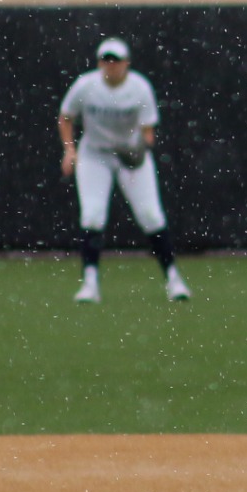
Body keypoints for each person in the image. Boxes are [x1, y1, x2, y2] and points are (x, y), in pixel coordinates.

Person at [58, 38, 191, 303]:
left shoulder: (139, 88)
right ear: (99, 63)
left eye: (116, 61)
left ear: (126, 63)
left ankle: (174, 280)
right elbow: (66, 116)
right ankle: (90, 284)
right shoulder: (86, 86)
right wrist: (70, 150)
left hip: (131, 156)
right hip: (95, 154)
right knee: (93, 215)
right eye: (105, 60)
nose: (111, 66)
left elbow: (148, 131)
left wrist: (139, 148)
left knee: (151, 216)